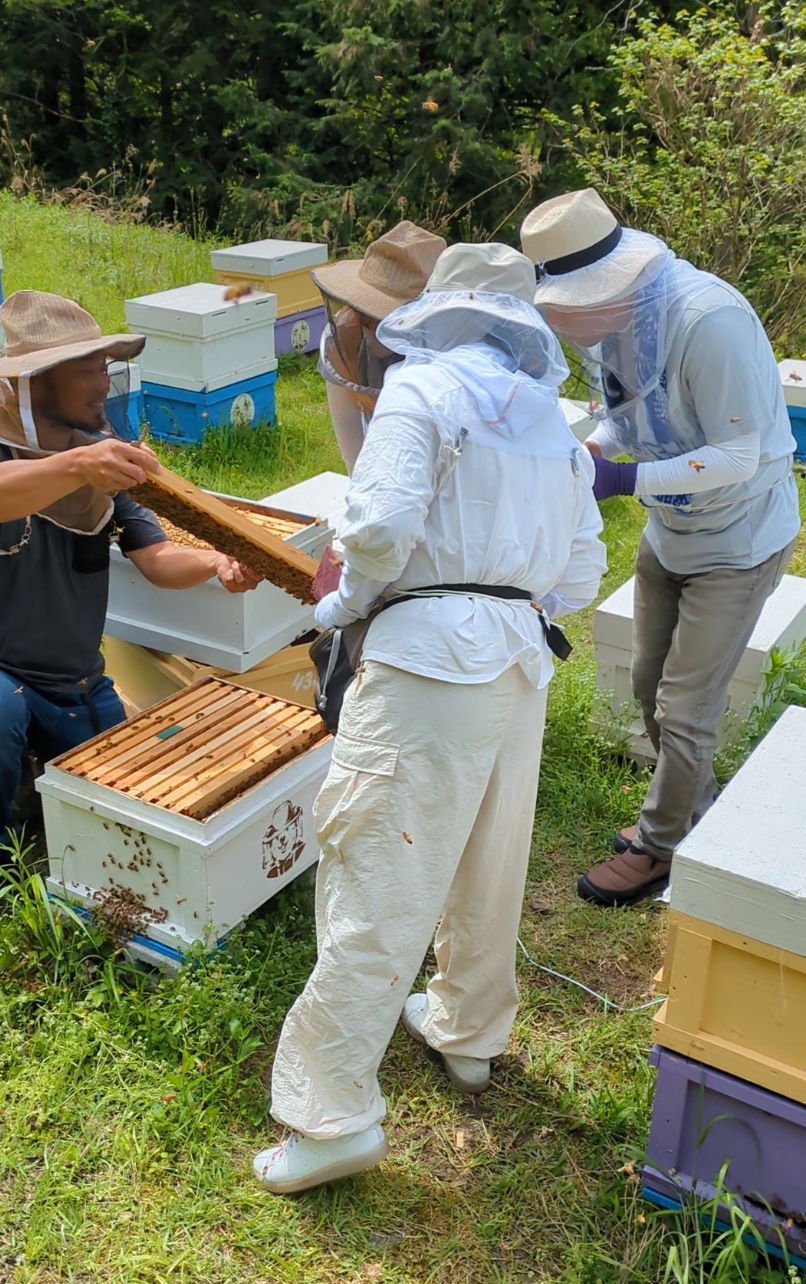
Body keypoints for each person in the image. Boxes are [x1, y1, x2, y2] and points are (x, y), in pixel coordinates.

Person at [252, 242, 607, 1194]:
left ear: (440, 312)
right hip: (521, 662)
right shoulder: (552, 422)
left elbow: (374, 529)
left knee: (378, 872)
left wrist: (333, 609)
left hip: (425, 661)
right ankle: (467, 1030)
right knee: (492, 860)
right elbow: (581, 574)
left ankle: (329, 1117)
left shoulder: (422, 388)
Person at [520, 188, 801, 907]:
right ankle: (695, 816)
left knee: (684, 707)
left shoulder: (709, 323)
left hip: (737, 539)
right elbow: (630, 416)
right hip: (670, 531)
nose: (562, 321)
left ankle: (661, 848)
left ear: (609, 286)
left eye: (566, 305)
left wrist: (621, 479)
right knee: (648, 683)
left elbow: (741, 452)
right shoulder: (614, 328)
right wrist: (592, 450)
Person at [0, 289, 259, 851]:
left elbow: (158, 560)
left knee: (123, 803)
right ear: (36, 379)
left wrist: (217, 561)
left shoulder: (100, 456)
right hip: (5, 677)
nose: (104, 383)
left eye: (107, 367)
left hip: (74, 678)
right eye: (89, 370)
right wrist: (78, 465)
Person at [312, 221, 446, 473]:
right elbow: (351, 443)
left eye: (380, 311)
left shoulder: (444, 347)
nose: (369, 318)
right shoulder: (343, 340)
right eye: (366, 306)